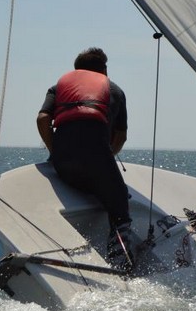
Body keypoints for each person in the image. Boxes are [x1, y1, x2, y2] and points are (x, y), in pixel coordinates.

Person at [37, 47, 137, 271]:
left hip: (63, 165)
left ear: (76, 71)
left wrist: (55, 151)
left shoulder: (58, 87)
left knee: (89, 183)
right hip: (98, 162)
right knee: (120, 210)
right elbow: (121, 136)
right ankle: (122, 265)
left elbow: (43, 118)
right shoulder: (116, 91)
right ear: (104, 70)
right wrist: (106, 159)